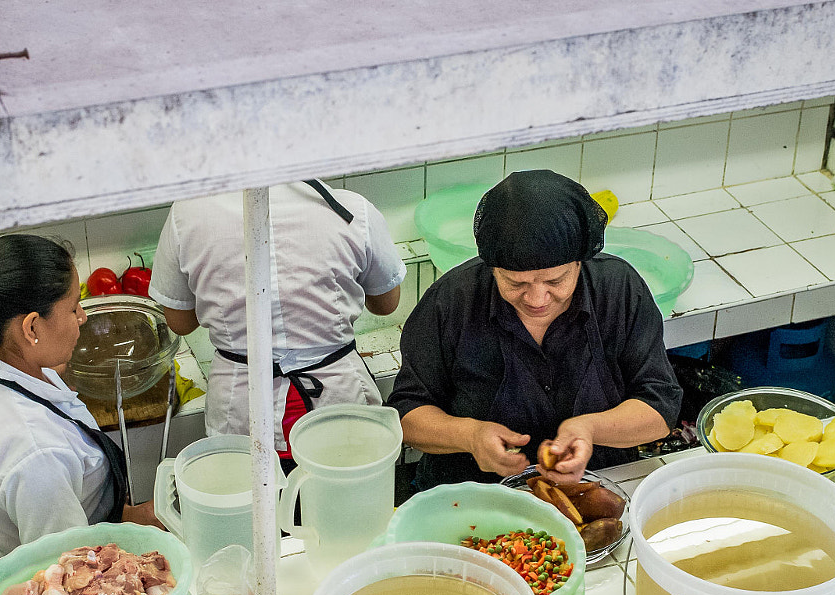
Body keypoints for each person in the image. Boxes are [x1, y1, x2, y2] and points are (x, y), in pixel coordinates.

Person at [389, 170, 682, 488]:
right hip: (472, 498)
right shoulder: (450, 302)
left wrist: (590, 429)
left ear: (579, 262)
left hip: (594, 487)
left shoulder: (619, 290)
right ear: (492, 267)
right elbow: (406, 413)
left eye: (556, 281)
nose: (537, 299)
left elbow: (658, 405)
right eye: (515, 282)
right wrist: (470, 436)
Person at [0, 233, 156, 570]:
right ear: (32, 326)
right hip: (65, 569)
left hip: (14, 540)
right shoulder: (37, 457)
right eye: (73, 307)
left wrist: (127, 517)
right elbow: (70, 574)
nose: (82, 317)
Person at [149, 180, 407, 459]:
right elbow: (386, 304)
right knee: (340, 497)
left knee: (249, 497)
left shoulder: (187, 214)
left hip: (239, 410)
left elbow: (180, 322)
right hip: (339, 401)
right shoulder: (351, 209)